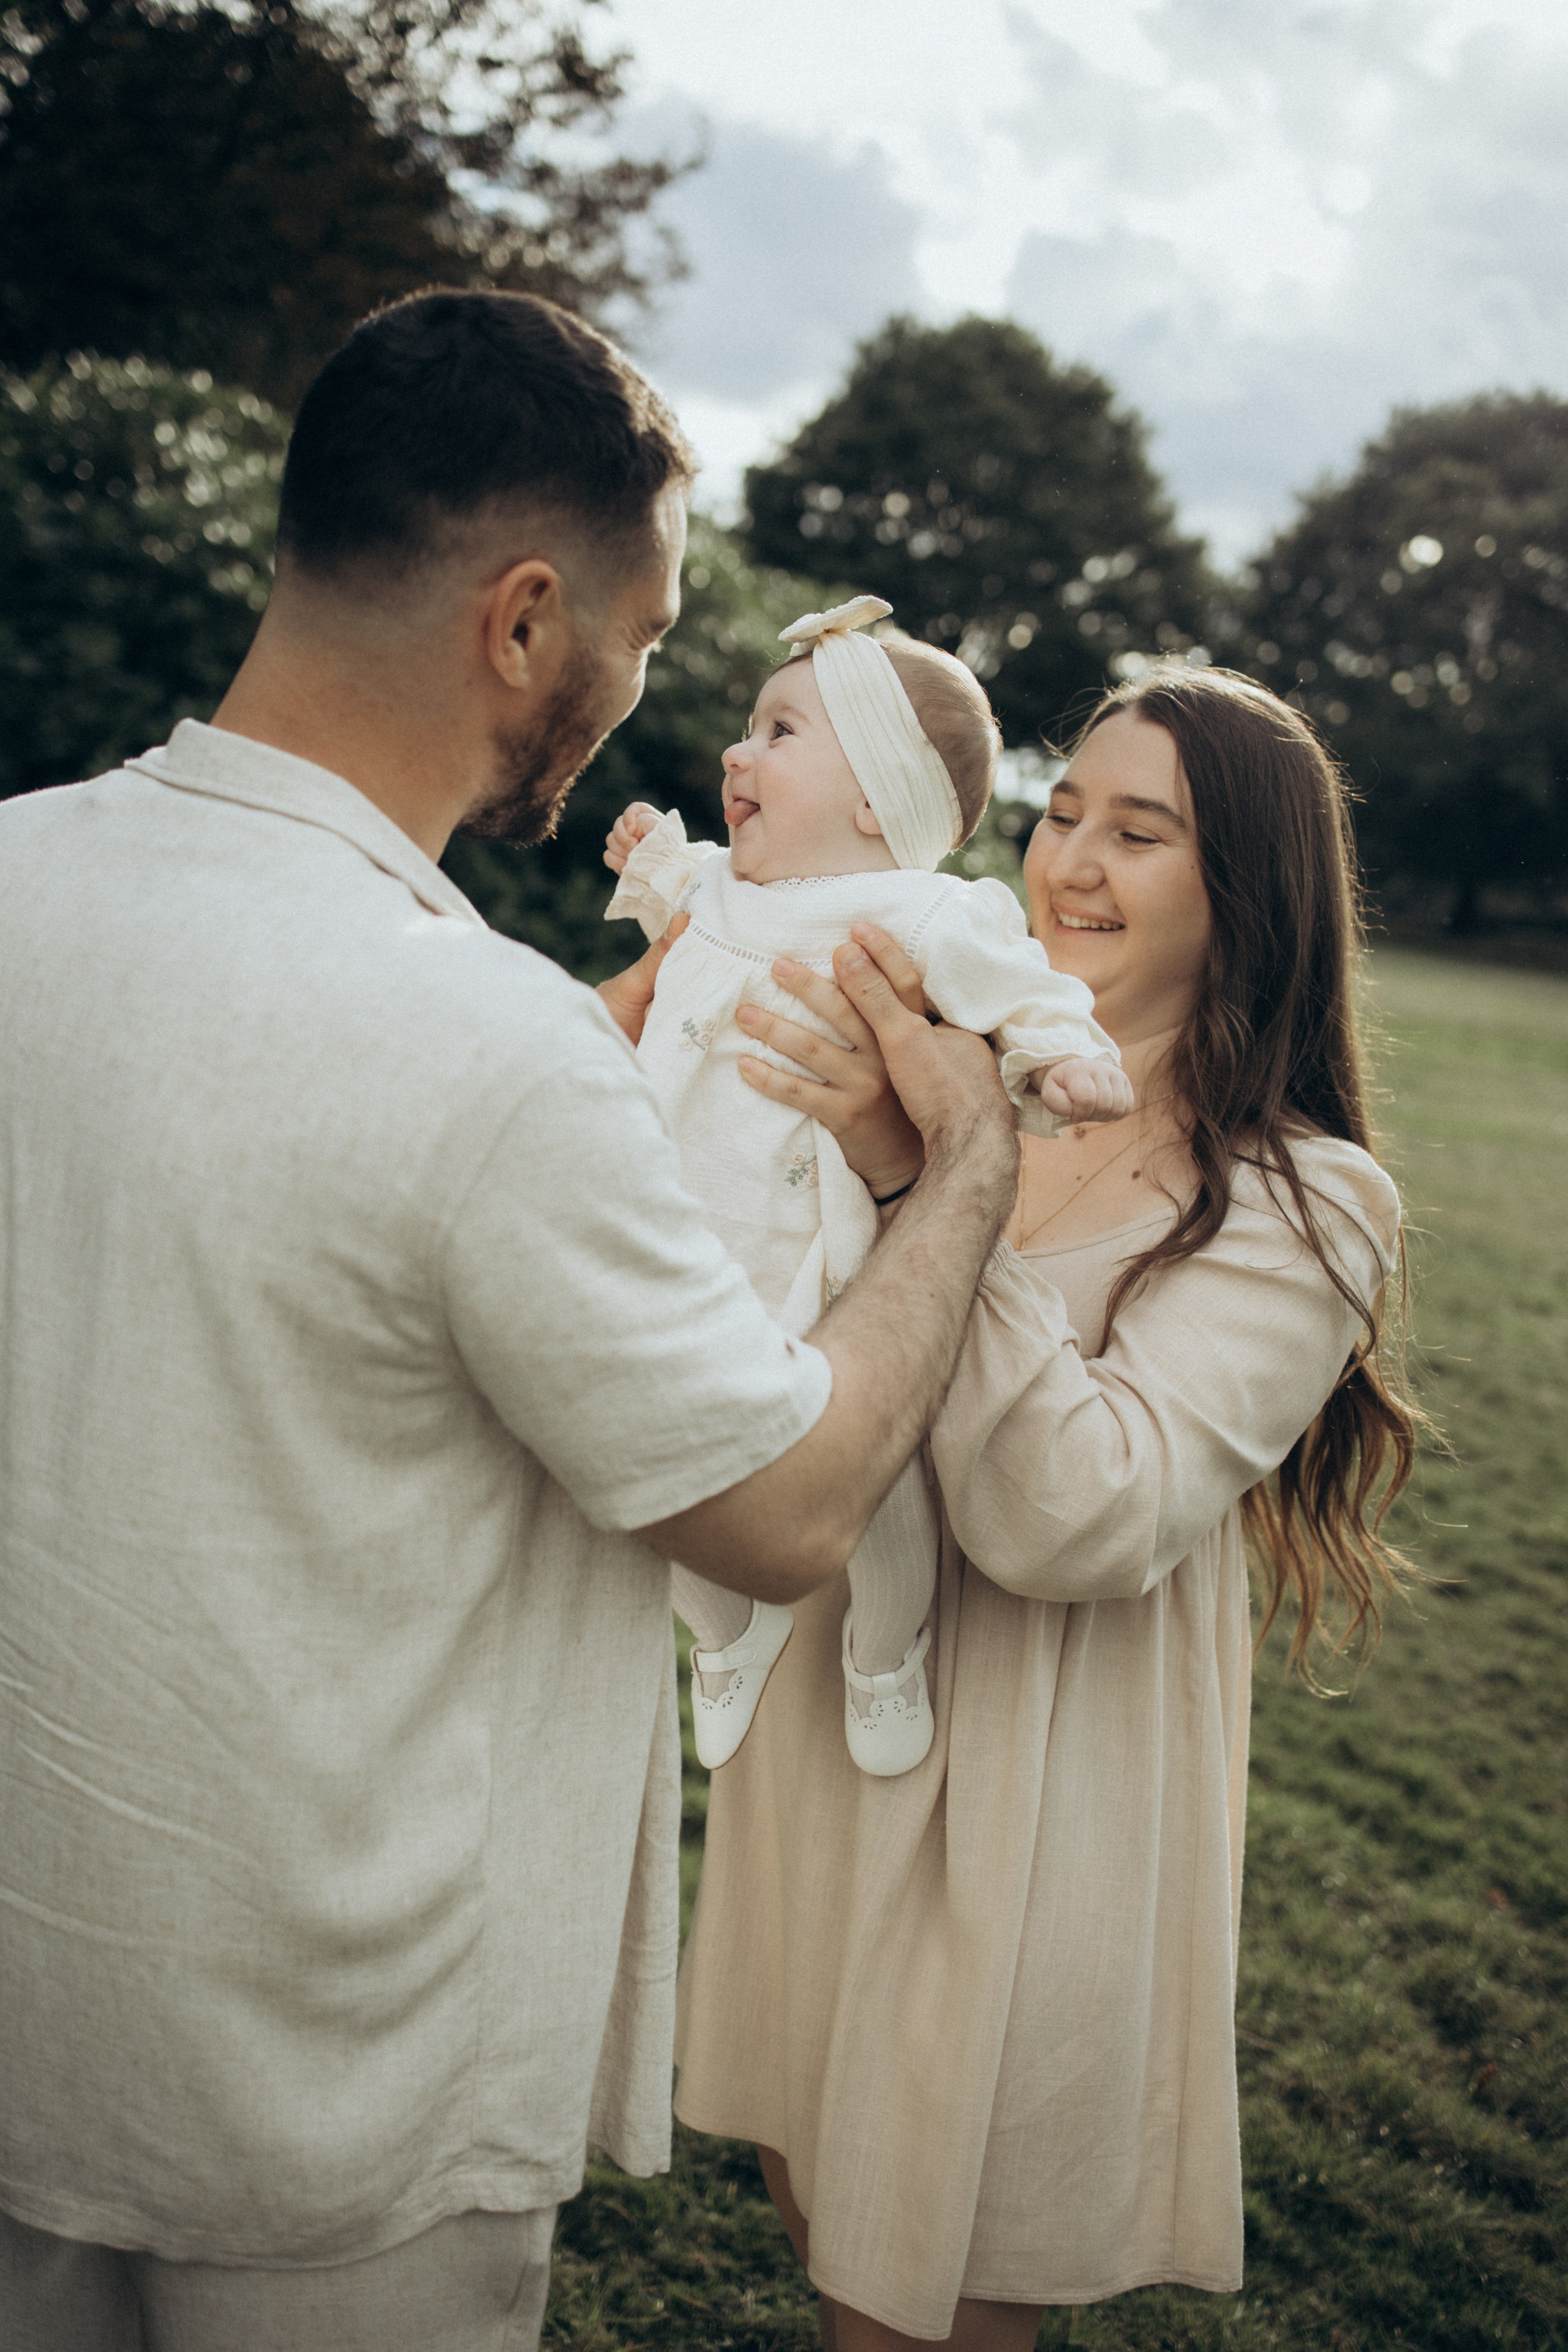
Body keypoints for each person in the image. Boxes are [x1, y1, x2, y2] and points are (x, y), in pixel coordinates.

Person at [0, 290, 1021, 2352]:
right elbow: (790, 1507)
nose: (643, 705)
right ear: (526, 619)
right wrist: (967, 1179)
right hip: (340, 2103)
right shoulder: (491, 1049)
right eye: (645, 649)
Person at [673, 663, 1423, 2351]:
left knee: (928, 2300)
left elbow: (1077, 1519)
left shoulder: (1307, 1199)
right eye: (1062, 811)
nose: (1070, 863)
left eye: (1139, 832)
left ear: (1251, 888)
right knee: (820, 2213)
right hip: (835, 1745)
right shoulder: (959, 1062)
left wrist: (927, 1179)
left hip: (1034, 1794)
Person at [601, 594, 1125, 1776]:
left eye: (780, 733)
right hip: (681, 1231)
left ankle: (886, 1652)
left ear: (878, 801)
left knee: (868, 1477)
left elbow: (1020, 990)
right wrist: (649, 856)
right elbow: (671, 896)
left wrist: (1064, 1057)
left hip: (822, 1248)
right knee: (669, 1466)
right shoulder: (725, 892)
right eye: (748, 728)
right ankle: (726, 1636)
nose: (739, 751)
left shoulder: (924, 910)